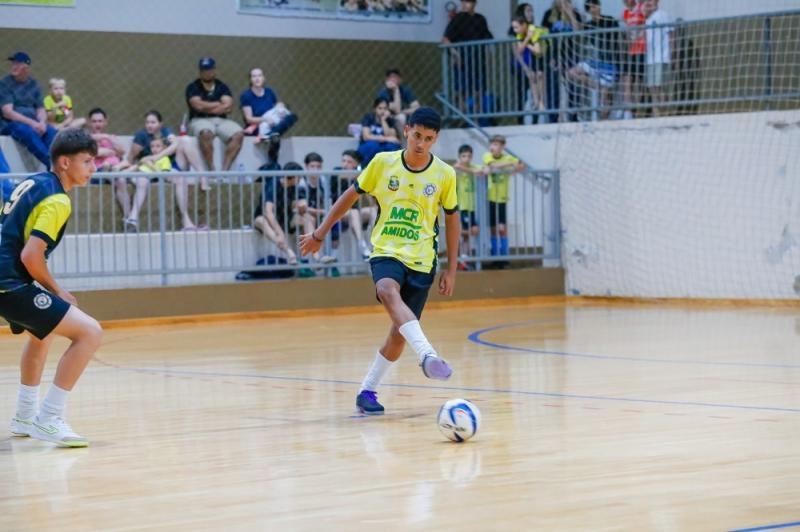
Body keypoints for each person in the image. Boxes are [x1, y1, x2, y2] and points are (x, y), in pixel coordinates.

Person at [299, 107, 460, 416]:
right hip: (386, 250)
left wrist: (451, 269)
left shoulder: (445, 174)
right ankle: (427, 355)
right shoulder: (382, 163)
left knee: (399, 333)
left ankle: (367, 391)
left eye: (428, 139)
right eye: (416, 136)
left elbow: (452, 220)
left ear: (436, 139)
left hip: (422, 259)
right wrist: (320, 233)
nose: (421, 144)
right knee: (386, 289)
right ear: (406, 130)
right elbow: (349, 197)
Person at [2, 127, 103, 447]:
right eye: (87, 161)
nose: (93, 168)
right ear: (64, 163)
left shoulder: (35, 181)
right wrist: (58, 291)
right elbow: (31, 255)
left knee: (41, 333)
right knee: (90, 332)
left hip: (7, 278)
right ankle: (49, 418)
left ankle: (24, 415)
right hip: (8, 282)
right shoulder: (58, 199)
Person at [185, 57, 244, 177]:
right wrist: (218, 104)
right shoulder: (193, 87)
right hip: (199, 119)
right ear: (200, 72)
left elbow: (229, 106)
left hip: (221, 120)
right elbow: (198, 106)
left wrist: (206, 106)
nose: (207, 72)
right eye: (204, 70)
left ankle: (224, 172)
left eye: (209, 69)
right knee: (206, 133)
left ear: (214, 70)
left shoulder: (222, 86)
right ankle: (212, 170)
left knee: (238, 134)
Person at [0, 52, 57, 170]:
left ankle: (59, 160)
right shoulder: (5, 84)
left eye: (18, 63)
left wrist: (42, 123)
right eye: (13, 63)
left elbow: (40, 108)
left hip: (34, 122)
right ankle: (51, 164)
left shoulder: (34, 84)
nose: (13, 66)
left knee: (51, 132)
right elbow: (8, 112)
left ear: (26, 67)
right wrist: (33, 123)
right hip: (10, 124)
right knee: (27, 132)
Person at [136, 137, 200, 231]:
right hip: (155, 176)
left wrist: (157, 159)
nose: (154, 148)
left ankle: (186, 221)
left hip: (169, 171)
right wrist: (150, 164)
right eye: (152, 146)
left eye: (158, 146)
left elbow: (176, 144)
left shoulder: (167, 157)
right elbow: (141, 164)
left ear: (164, 147)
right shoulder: (147, 157)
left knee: (185, 141)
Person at [442, 0, 494, 114]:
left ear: (474, 3)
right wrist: (455, 54)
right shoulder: (458, 18)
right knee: (462, 91)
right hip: (463, 62)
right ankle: (463, 116)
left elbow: (488, 38)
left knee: (479, 91)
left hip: (479, 61)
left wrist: (489, 57)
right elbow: (445, 39)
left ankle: (477, 116)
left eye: (468, 2)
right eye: (463, 2)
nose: (465, 4)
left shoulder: (480, 19)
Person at [240, 67, 298, 164]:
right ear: (250, 79)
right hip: (257, 126)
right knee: (275, 139)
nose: (257, 78)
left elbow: (275, 110)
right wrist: (265, 119)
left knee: (292, 117)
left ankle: (270, 134)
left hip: (272, 125)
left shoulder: (269, 92)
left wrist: (280, 110)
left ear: (264, 78)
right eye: (254, 76)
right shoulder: (246, 95)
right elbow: (249, 119)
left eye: (259, 75)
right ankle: (270, 136)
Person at [482, 134, 524, 265]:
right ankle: (495, 256)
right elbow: (492, 165)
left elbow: (521, 165)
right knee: (493, 228)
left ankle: (504, 256)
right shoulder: (487, 156)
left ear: (502, 147)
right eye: (491, 144)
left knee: (502, 228)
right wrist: (510, 164)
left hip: (502, 198)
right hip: (491, 197)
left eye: (496, 144)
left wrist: (513, 168)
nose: (492, 147)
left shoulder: (507, 157)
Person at [328, 149, 375, 263]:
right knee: (354, 213)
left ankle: (376, 243)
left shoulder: (361, 176)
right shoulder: (337, 172)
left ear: (356, 164)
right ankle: (362, 246)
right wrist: (359, 176)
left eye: (349, 162)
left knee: (373, 210)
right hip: (339, 212)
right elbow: (342, 176)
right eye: (343, 161)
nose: (345, 164)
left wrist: (364, 181)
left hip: (356, 211)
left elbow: (370, 201)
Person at [453, 143, 483, 269]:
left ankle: (464, 258)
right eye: (464, 156)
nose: (466, 159)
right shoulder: (458, 169)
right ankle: (463, 258)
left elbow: (482, 170)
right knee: (471, 232)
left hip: (473, 206)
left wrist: (475, 170)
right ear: (459, 157)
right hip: (463, 206)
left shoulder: (472, 167)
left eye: (469, 156)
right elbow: (456, 166)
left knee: (468, 234)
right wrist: (473, 171)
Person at [643, 0, 672, 117]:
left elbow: (671, 34)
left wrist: (673, 54)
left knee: (659, 87)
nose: (649, 3)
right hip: (650, 58)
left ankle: (664, 112)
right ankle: (656, 113)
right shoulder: (647, 19)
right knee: (652, 87)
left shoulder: (663, 15)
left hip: (661, 57)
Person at [357, 97, 402, 167]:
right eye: (380, 108)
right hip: (369, 146)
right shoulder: (369, 118)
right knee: (374, 147)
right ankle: (365, 168)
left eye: (385, 108)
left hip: (384, 147)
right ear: (375, 109)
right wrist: (386, 139)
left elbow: (392, 137)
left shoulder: (390, 120)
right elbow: (366, 137)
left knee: (392, 147)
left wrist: (383, 120)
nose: (382, 111)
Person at [376, 69, 420, 133]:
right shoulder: (383, 92)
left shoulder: (405, 90)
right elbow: (397, 109)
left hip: (404, 116)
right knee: (401, 117)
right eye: (390, 77)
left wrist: (403, 111)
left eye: (395, 77)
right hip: (387, 118)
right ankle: (401, 138)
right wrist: (396, 90)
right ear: (386, 80)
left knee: (418, 115)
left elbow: (417, 107)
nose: (393, 79)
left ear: (400, 80)